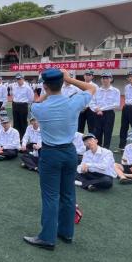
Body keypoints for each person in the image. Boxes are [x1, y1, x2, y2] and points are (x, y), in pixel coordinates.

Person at [23, 68, 96, 251]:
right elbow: (91, 88)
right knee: (68, 194)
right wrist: (69, 79)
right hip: (69, 152)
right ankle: (66, 232)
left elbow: (37, 102)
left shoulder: (39, 108)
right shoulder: (74, 102)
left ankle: (47, 238)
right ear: (62, 84)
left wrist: (48, 91)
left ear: (45, 86)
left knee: (50, 196)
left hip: (50, 154)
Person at [91, 71, 120, 149]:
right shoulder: (96, 90)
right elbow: (92, 102)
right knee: (97, 132)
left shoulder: (116, 91)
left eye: (107, 78)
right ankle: (98, 148)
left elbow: (116, 104)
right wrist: (96, 109)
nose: (105, 80)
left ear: (111, 79)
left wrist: (101, 109)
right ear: (101, 79)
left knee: (108, 132)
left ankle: (106, 149)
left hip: (109, 114)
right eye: (103, 78)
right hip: (97, 113)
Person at [10, 73, 34, 140]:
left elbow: (31, 98)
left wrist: (25, 103)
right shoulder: (14, 86)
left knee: (23, 122)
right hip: (15, 104)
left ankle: (23, 136)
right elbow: (13, 95)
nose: (18, 80)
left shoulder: (27, 87)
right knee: (16, 121)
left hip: (23, 105)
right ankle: (16, 136)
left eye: (20, 79)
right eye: (17, 79)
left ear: (23, 79)